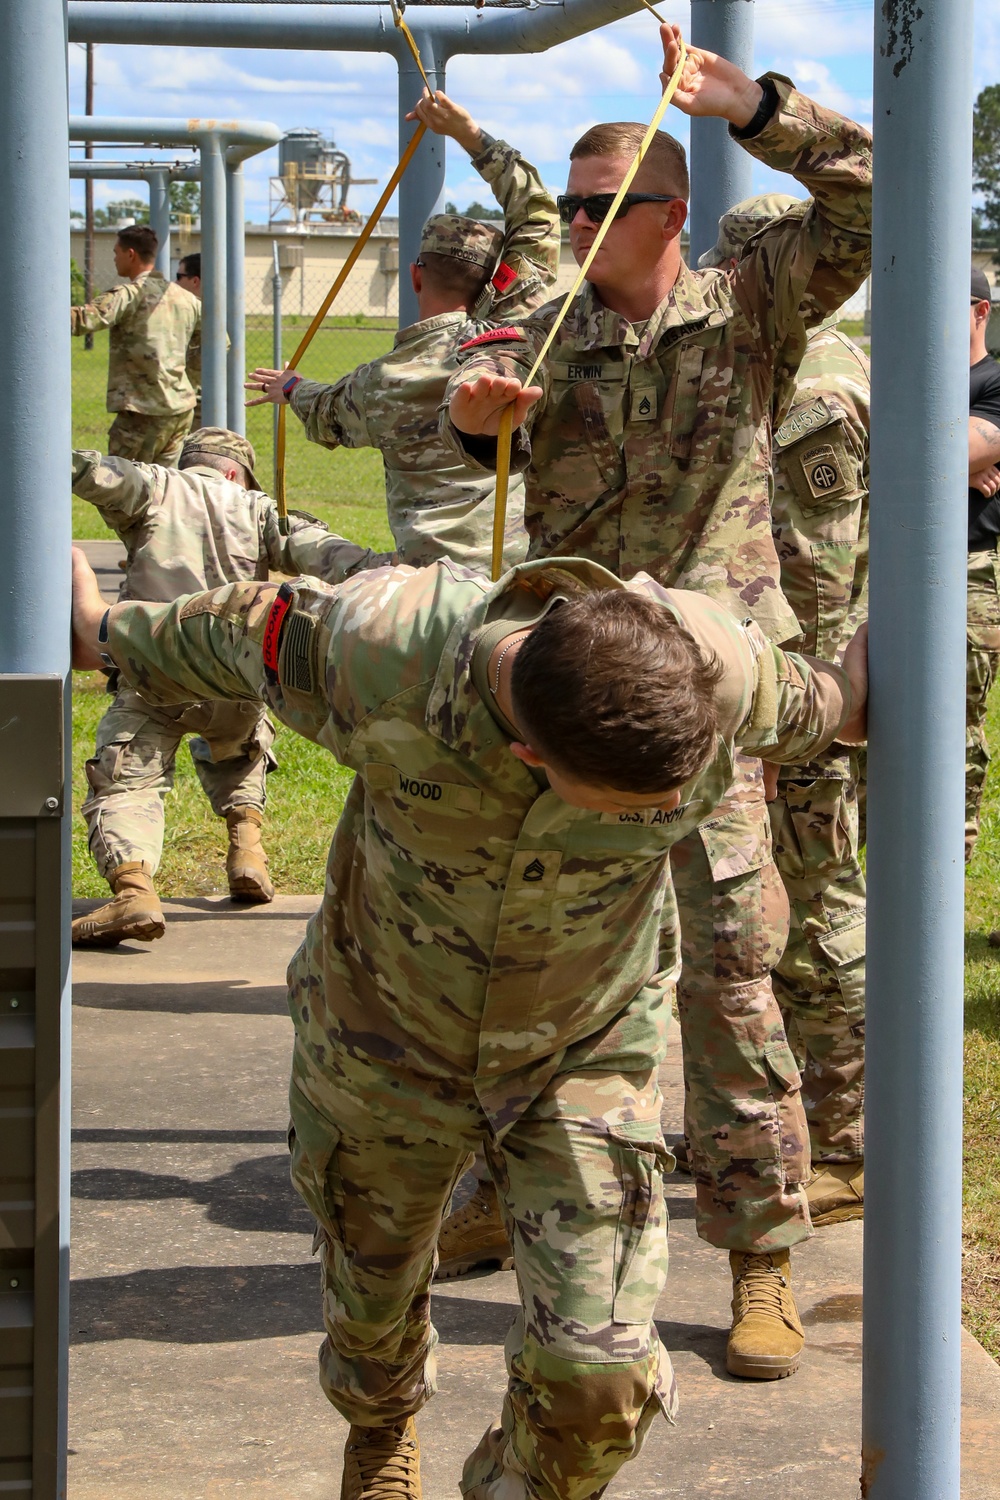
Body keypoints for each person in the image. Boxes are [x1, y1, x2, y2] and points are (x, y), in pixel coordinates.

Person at [70, 538, 868, 1500]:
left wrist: (879, 663)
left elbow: (832, 705)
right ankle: (381, 1434)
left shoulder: (720, 666)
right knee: (371, 1305)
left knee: (599, 1379)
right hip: (382, 1034)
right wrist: (99, 628)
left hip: (582, 1051)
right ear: (529, 755)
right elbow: (217, 633)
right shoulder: (376, 646)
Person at [440, 23, 872, 1378]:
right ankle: (507, 1197)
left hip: (706, 695)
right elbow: (462, 415)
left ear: (666, 217)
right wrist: (474, 418)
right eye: (565, 205)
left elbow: (873, 195)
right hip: (565, 698)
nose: (570, 227)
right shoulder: (550, 322)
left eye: (594, 206)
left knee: (735, 977)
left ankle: (760, 1256)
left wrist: (762, 107)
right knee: (531, 973)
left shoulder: (749, 304)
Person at [694, 195, 870, 1227]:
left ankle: (844, 1141)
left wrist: (822, 681)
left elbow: (829, 553)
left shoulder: (816, 378)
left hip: (801, 691)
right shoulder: (783, 363)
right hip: (757, 677)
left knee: (813, 917)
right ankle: (795, 1126)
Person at [71, 427, 393, 948]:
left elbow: (92, 473)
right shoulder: (259, 509)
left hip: (156, 673)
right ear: (235, 471)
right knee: (239, 751)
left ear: (193, 463)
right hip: (238, 679)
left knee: (127, 780)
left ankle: (133, 887)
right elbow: (333, 556)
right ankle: (247, 851)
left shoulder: (155, 486)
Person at [246, 88, 560, 572]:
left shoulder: (381, 381)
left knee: (316, 553)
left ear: (415, 276)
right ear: (489, 284)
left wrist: (291, 388)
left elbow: (328, 412)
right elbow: (537, 212)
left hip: (424, 582)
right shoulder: (513, 339)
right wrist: (468, 134)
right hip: (518, 572)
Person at [71, 224, 201, 465]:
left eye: (115, 252)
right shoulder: (187, 299)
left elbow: (83, 319)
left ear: (130, 254)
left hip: (142, 412)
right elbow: (214, 344)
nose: (114, 258)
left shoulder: (129, 294)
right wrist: (187, 381)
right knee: (165, 488)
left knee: (123, 491)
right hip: (180, 410)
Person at [964, 267, 1000, 866]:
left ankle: (947, 874)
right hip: (877, 573)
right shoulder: (902, 379)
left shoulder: (994, 380)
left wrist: (954, 458)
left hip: (968, 574)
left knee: (954, 726)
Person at [176, 253, 204, 428]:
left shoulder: (197, 313)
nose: (175, 283)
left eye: (179, 277)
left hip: (196, 405)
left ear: (195, 281)